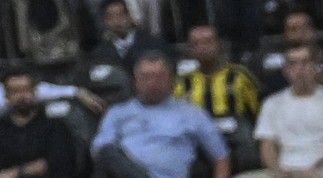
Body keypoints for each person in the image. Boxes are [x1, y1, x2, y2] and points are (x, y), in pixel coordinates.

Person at [90, 54, 227, 178]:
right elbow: (100, 151)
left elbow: (221, 158)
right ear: (135, 81)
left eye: (159, 76)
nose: (152, 83)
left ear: (171, 80)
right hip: (123, 173)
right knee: (107, 153)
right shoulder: (118, 112)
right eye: (146, 77)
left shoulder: (191, 113)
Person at [258, 47, 323, 178]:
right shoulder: (272, 103)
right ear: (285, 69)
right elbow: (267, 145)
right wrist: (277, 171)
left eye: (305, 62)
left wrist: (315, 170)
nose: (300, 68)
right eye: (293, 63)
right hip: (285, 169)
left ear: (315, 66)